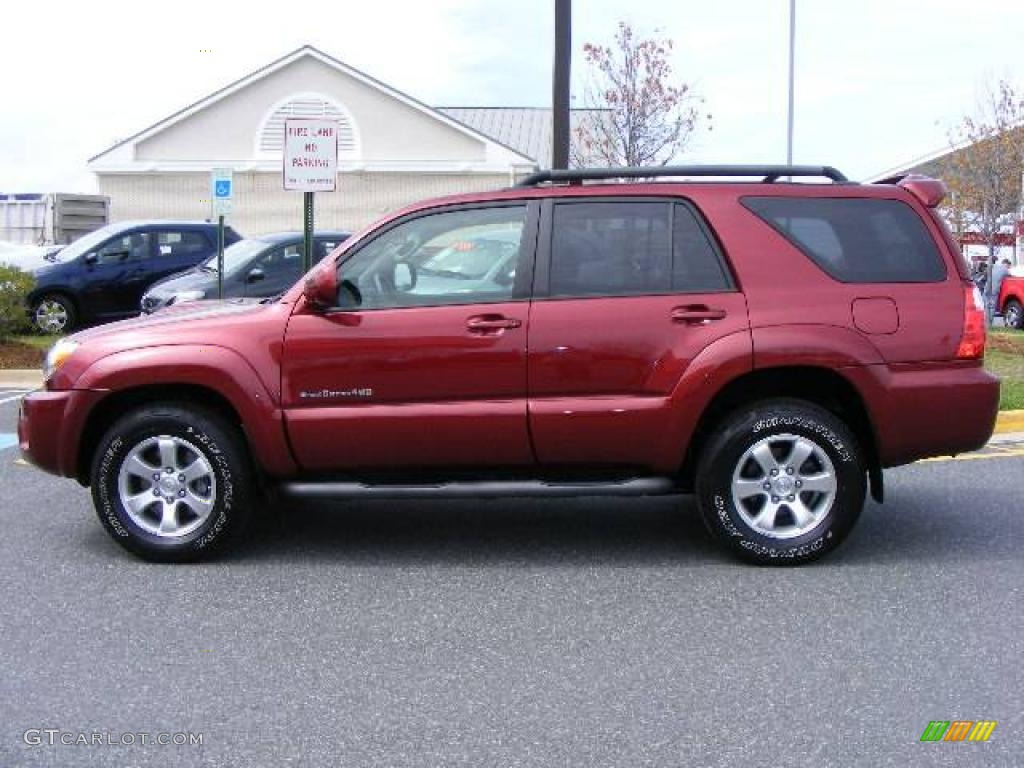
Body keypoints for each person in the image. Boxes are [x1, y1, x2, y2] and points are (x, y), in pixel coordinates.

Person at [987, 258, 1010, 326]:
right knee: (992, 307)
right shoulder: (1005, 270)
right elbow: (1010, 277)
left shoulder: (995, 267)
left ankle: (983, 322)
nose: (1008, 267)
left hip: (987, 288)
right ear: (1006, 264)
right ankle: (989, 324)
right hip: (994, 290)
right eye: (1009, 266)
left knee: (986, 306)